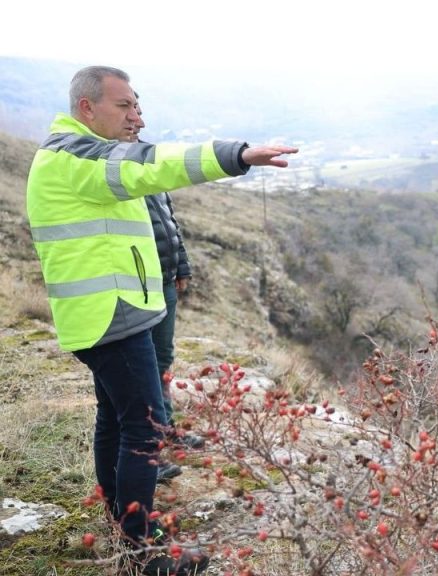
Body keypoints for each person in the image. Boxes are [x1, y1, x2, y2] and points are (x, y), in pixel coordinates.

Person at [25, 65, 297, 576]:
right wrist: (235, 155)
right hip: (110, 316)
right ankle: (141, 551)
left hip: (108, 313)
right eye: (124, 105)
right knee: (145, 428)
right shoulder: (76, 155)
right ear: (88, 108)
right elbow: (153, 166)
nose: (134, 115)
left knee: (118, 420)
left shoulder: (75, 153)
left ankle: (121, 523)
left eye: (135, 105)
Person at [125, 96, 202, 484]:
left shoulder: (148, 165)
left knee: (163, 359)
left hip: (166, 278)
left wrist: (181, 266)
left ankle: (166, 430)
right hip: (140, 285)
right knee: (145, 366)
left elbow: (169, 223)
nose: (137, 121)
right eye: (128, 113)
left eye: (139, 114)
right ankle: (148, 449)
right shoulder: (116, 171)